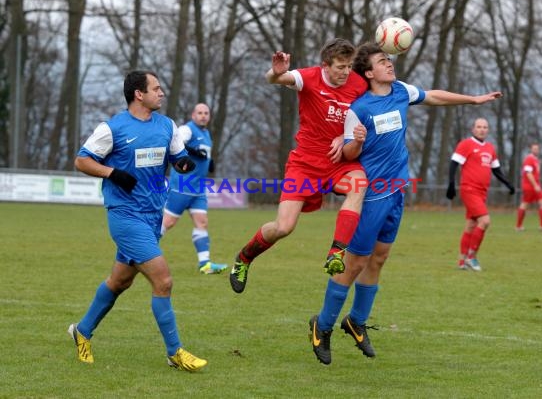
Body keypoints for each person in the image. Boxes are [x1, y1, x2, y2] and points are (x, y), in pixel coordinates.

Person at [309, 42, 504, 365]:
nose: (390, 64)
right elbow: (346, 154)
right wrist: (355, 141)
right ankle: (323, 324)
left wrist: (473, 100)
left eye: (389, 59)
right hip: (372, 195)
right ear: (369, 73)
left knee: (380, 258)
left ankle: (356, 321)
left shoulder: (400, 91)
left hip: (397, 191)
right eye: (382, 61)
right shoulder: (359, 108)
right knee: (355, 263)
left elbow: (435, 96)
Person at [69, 70, 207, 372]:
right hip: (124, 216)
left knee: (119, 282)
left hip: (152, 215)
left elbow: (177, 158)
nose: (162, 93)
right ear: (138, 94)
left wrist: (184, 164)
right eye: (156, 88)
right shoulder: (113, 128)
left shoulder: (167, 126)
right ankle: (175, 353)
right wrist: (112, 173)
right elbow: (82, 160)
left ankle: (82, 330)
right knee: (163, 280)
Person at [228, 38, 369, 294]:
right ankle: (245, 257)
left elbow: (365, 113)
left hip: (338, 163)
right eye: (340, 67)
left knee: (359, 183)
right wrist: (276, 71)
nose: (345, 72)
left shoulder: (358, 84)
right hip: (304, 165)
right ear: (325, 65)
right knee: (283, 227)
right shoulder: (309, 77)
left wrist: (344, 136)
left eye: (349, 66)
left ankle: (337, 251)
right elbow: (274, 79)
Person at [161, 103, 228, 274]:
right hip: (182, 186)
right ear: (193, 115)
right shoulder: (187, 129)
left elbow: (204, 154)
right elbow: (176, 143)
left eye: (206, 113)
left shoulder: (206, 133)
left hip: (198, 189)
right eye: (200, 113)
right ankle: (140, 253)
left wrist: (208, 162)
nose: (203, 116)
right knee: (167, 223)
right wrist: (194, 152)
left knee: (202, 222)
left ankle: (205, 264)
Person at [447, 118, 515, 272]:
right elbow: (453, 163)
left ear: (488, 130)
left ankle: (461, 261)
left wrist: (508, 184)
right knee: (485, 221)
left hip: (482, 192)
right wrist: (451, 184)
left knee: (471, 225)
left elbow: (496, 170)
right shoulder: (466, 144)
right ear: (473, 129)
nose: (482, 129)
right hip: (469, 190)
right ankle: (472, 257)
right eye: (479, 127)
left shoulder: (490, 148)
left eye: (485, 127)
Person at [516, 143, 542, 232]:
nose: (536, 150)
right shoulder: (529, 159)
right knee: (525, 204)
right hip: (530, 186)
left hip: (535, 186)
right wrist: (535, 185)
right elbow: (528, 173)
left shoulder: (536, 160)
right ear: (531, 149)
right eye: (534, 148)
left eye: (537, 149)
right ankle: (518, 226)